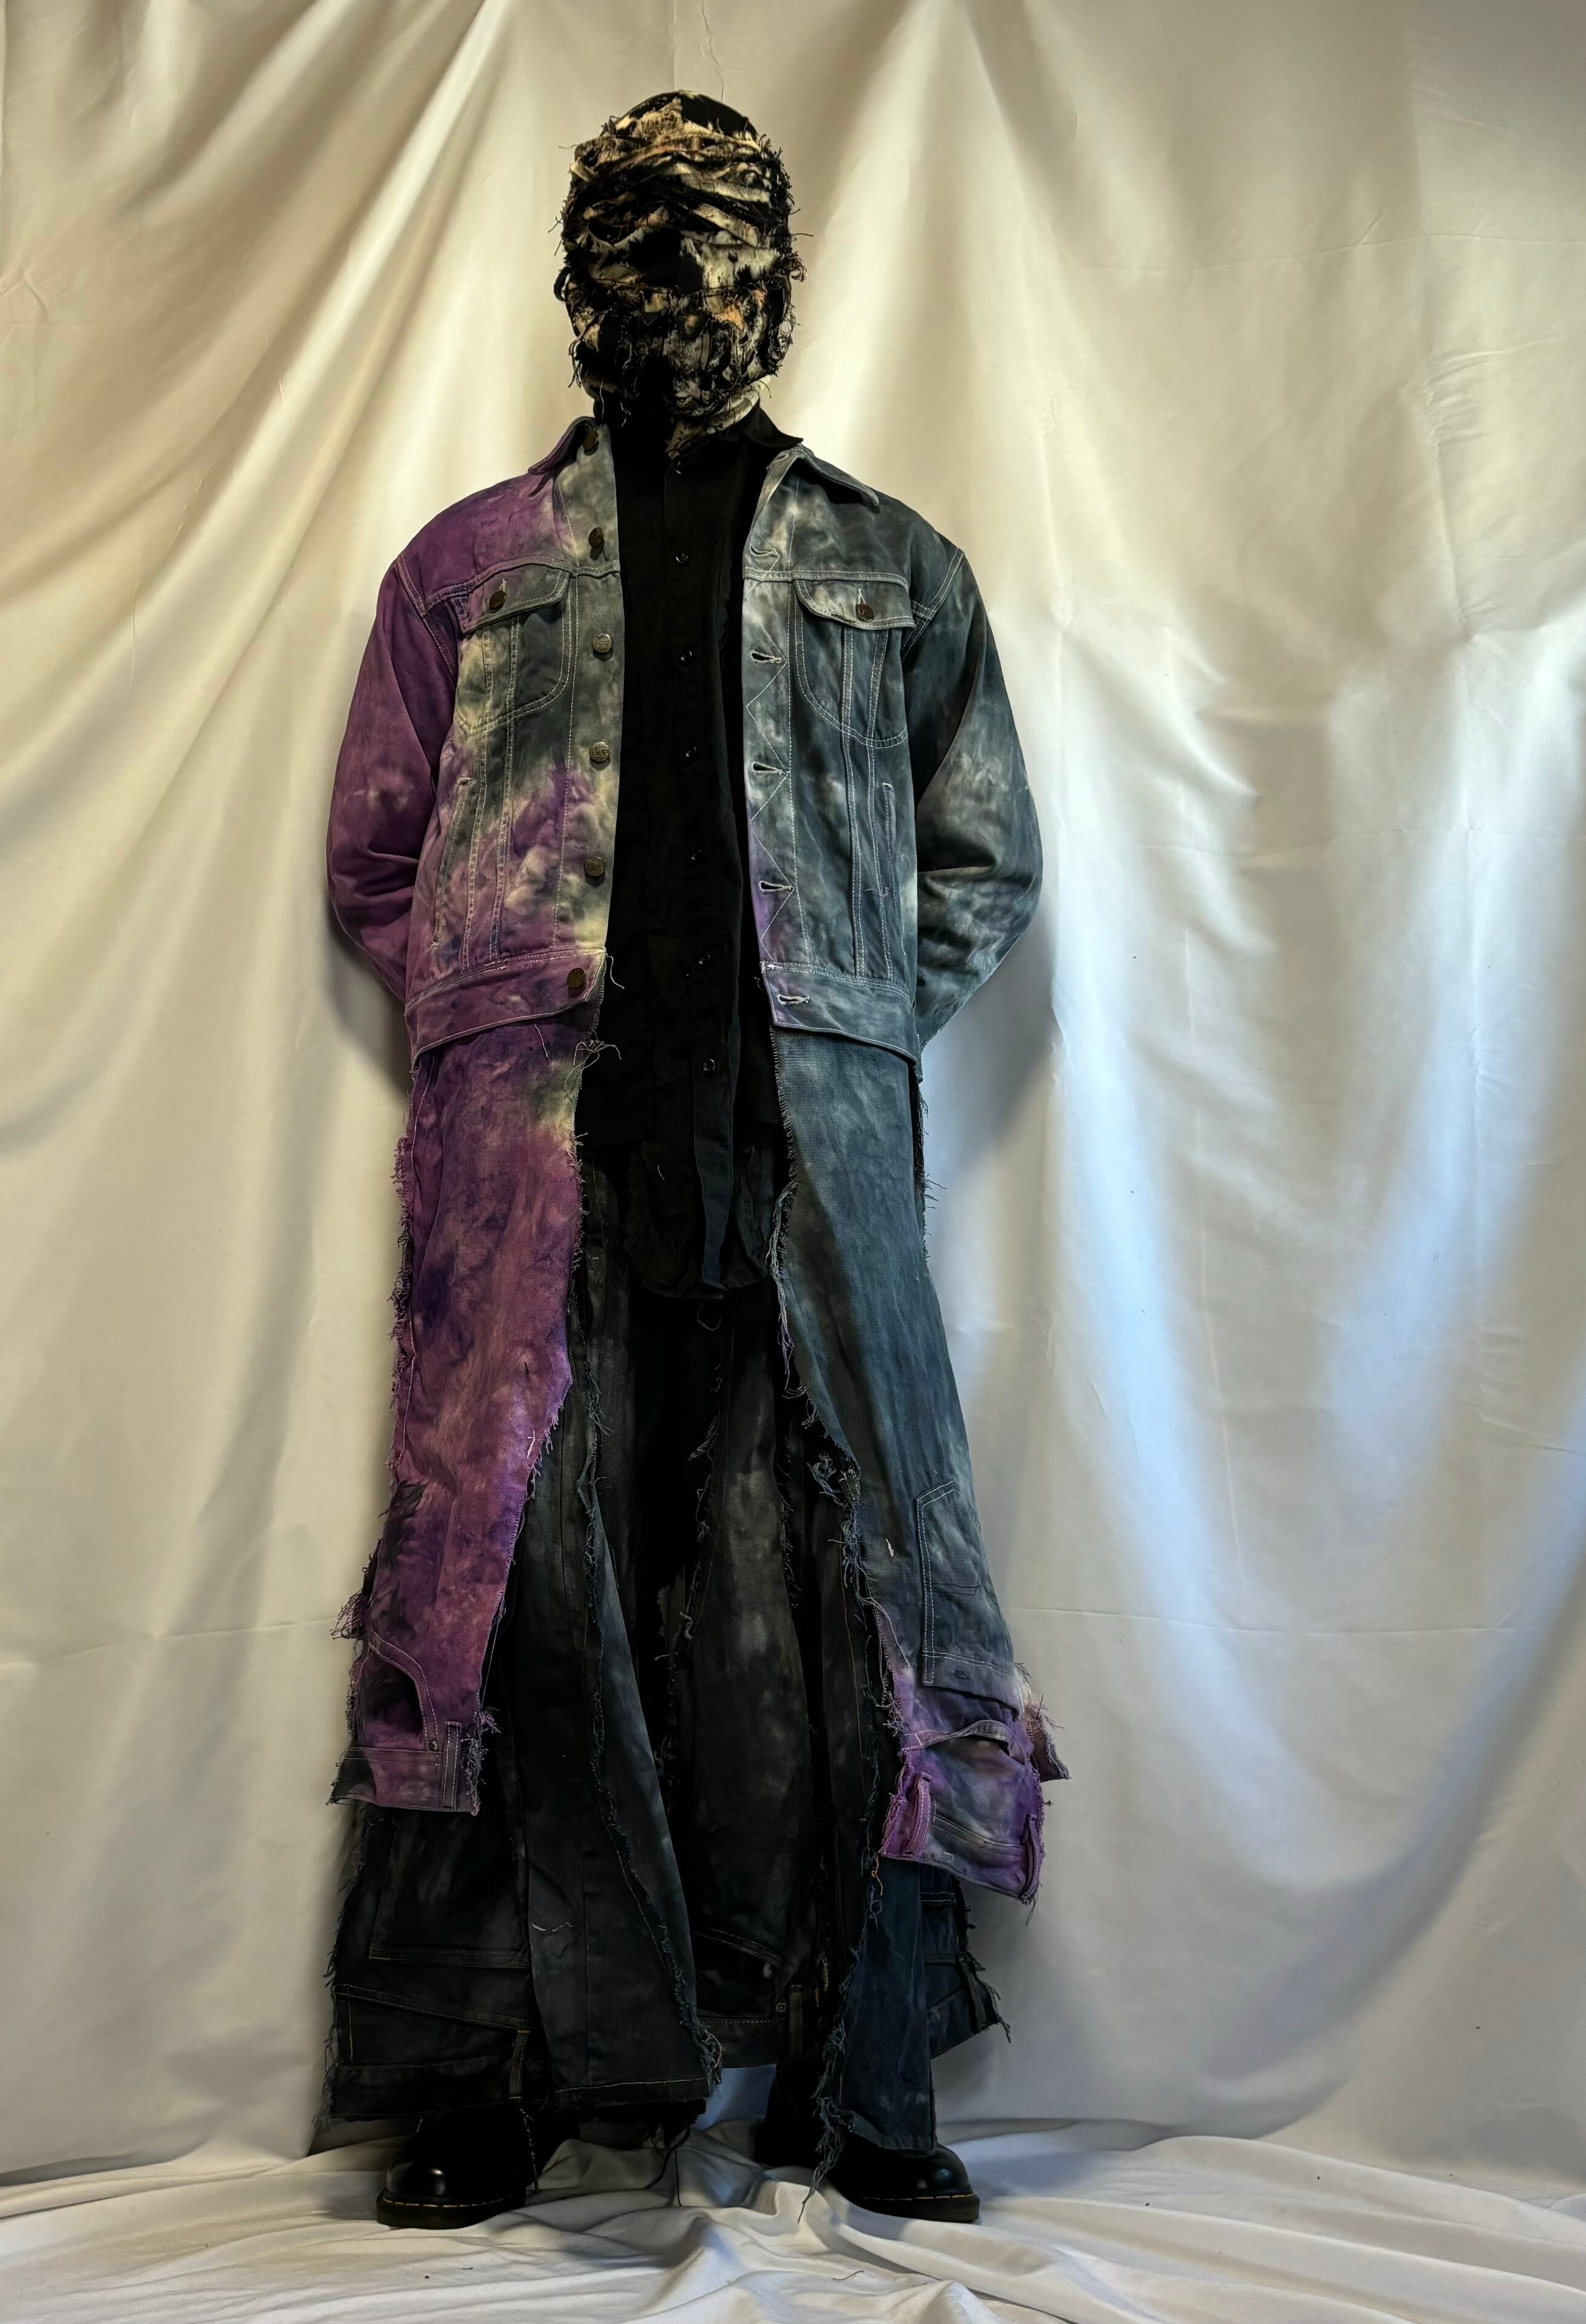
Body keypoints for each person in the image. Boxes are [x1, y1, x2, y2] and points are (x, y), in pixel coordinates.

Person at [320, 90, 1064, 2229]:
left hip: (806, 1179)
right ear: (572, 275)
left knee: (857, 1596)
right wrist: (504, 1020)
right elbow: (380, 855)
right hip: (532, 1187)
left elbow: (980, 854)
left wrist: (831, 1023)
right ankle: (492, 2078)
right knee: (506, 1595)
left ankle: (862, 2075)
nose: (678, 275)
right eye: (635, 233)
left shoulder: (887, 565)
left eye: (719, 234)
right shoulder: (465, 569)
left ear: (786, 273)